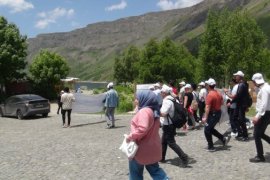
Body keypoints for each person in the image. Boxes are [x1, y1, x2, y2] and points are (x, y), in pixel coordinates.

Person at [126, 90, 169, 180]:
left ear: (144, 99)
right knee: (155, 171)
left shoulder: (144, 111)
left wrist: (130, 137)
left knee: (135, 173)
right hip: (152, 147)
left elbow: (142, 128)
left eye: (137, 98)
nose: (135, 100)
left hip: (140, 148)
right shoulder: (154, 110)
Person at [160, 84, 189, 167]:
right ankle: (162, 157)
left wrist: (155, 112)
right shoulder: (173, 99)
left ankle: (184, 157)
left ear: (165, 93)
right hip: (171, 124)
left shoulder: (166, 101)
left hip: (168, 125)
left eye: (161, 92)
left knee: (171, 143)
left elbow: (163, 113)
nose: (160, 93)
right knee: (164, 142)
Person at [202, 78, 229, 151]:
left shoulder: (210, 95)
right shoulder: (218, 93)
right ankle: (222, 138)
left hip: (213, 114)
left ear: (208, 86)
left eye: (206, 84)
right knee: (210, 129)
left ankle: (211, 146)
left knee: (207, 130)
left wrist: (205, 117)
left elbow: (207, 107)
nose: (205, 85)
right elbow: (222, 103)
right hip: (217, 113)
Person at [249, 73, 270, 163]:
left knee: (256, 134)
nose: (253, 83)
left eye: (253, 82)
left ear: (255, 81)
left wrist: (257, 116)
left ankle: (260, 156)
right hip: (266, 113)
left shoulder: (264, 89)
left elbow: (264, 104)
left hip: (264, 114)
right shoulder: (265, 87)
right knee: (260, 134)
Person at [231, 71, 249, 141]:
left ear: (239, 77)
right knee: (234, 118)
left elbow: (238, 96)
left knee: (241, 120)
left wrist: (231, 102)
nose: (235, 77)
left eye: (236, 76)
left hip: (241, 105)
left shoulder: (242, 85)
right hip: (239, 104)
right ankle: (240, 132)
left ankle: (245, 135)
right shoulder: (241, 84)